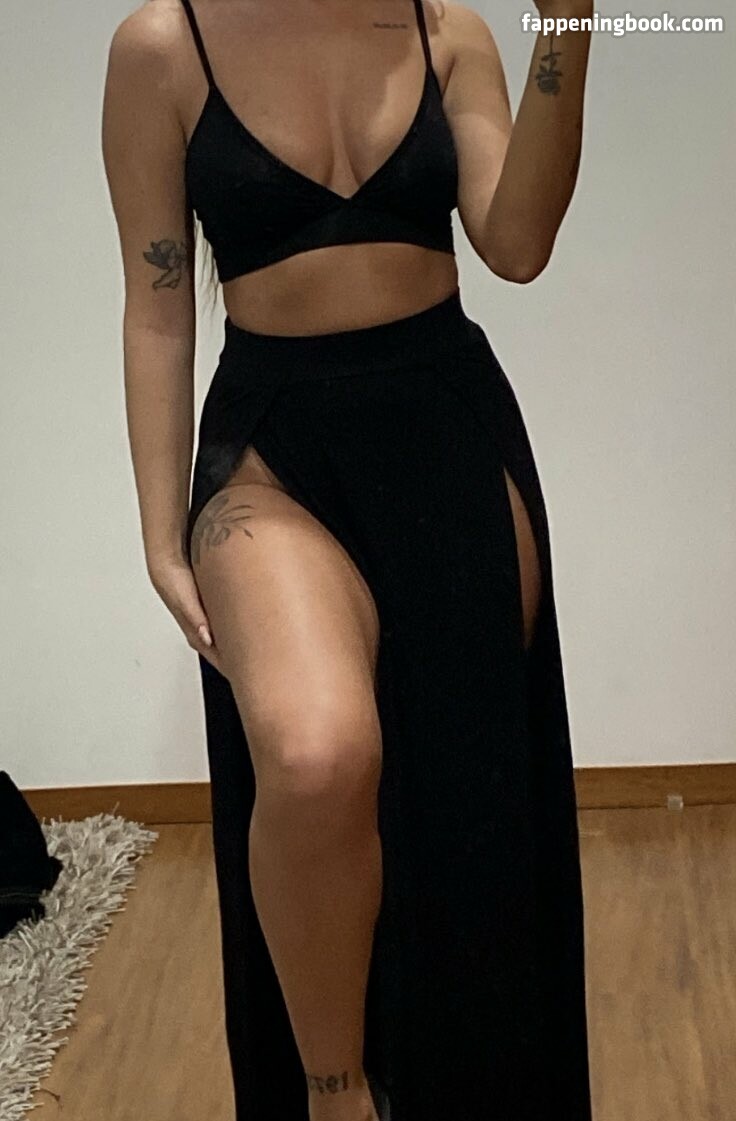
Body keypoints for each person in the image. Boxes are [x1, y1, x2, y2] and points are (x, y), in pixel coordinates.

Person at [102, 1, 594, 1119]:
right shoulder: (163, 46)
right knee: (316, 753)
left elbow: (517, 245)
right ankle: (334, 1089)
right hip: (272, 449)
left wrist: (568, 28)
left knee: (474, 810)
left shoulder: (444, 29)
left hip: (448, 428)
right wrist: (158, 528)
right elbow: (158, 307)